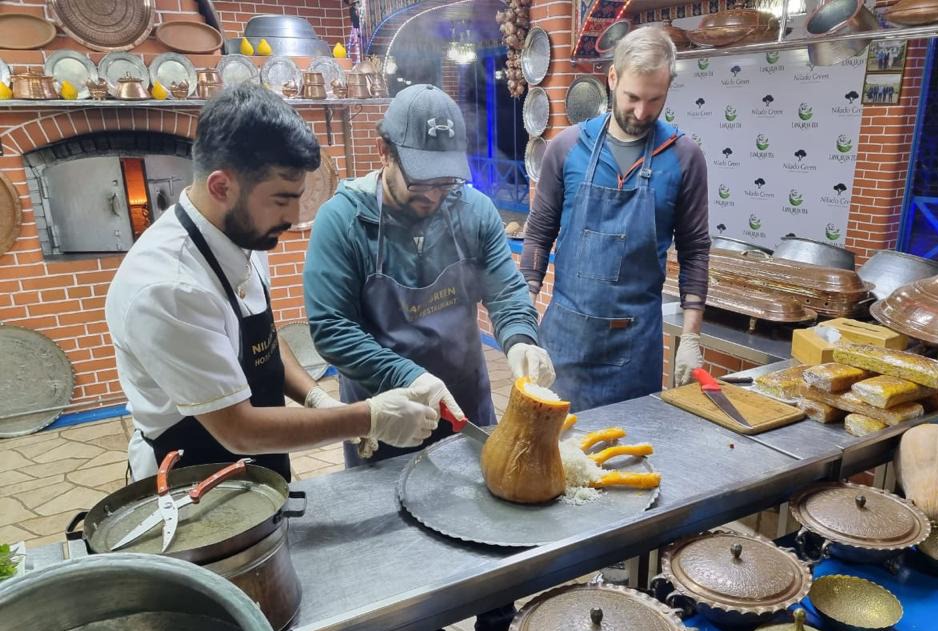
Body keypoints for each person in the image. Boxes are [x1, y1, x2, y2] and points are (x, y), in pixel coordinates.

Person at [303, 84, 552, 630]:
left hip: (466, 410)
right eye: (421, 179)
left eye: (445, 180)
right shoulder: (343, 221)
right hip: (385, 419)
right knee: (395, 558)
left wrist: (520, 339)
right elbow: (331, 328)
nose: (435, 194)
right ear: (384, 152)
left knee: (489, 541)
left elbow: (507, 292)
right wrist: (409, 376)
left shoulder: (473, 211)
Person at [106, 83, 437, 482]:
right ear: (221, 187)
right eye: (281, 200)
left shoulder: (241, 232)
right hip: (189, 476)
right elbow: (239, 430)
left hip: (258, 466)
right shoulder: (169, 287)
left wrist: (317, 399)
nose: (293, 217)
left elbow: (262, 341)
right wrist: (367, 417)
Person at [521, 27, 711, 412]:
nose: (641, 113)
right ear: (612, 78)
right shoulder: (568, 147)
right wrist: (523, 321)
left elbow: (695, 251)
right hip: (564, 342)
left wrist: (691, 336)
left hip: (634, 350)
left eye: (655, 100)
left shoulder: (684, 157)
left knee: (628, 446)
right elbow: (539, 234)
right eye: (632, 98)